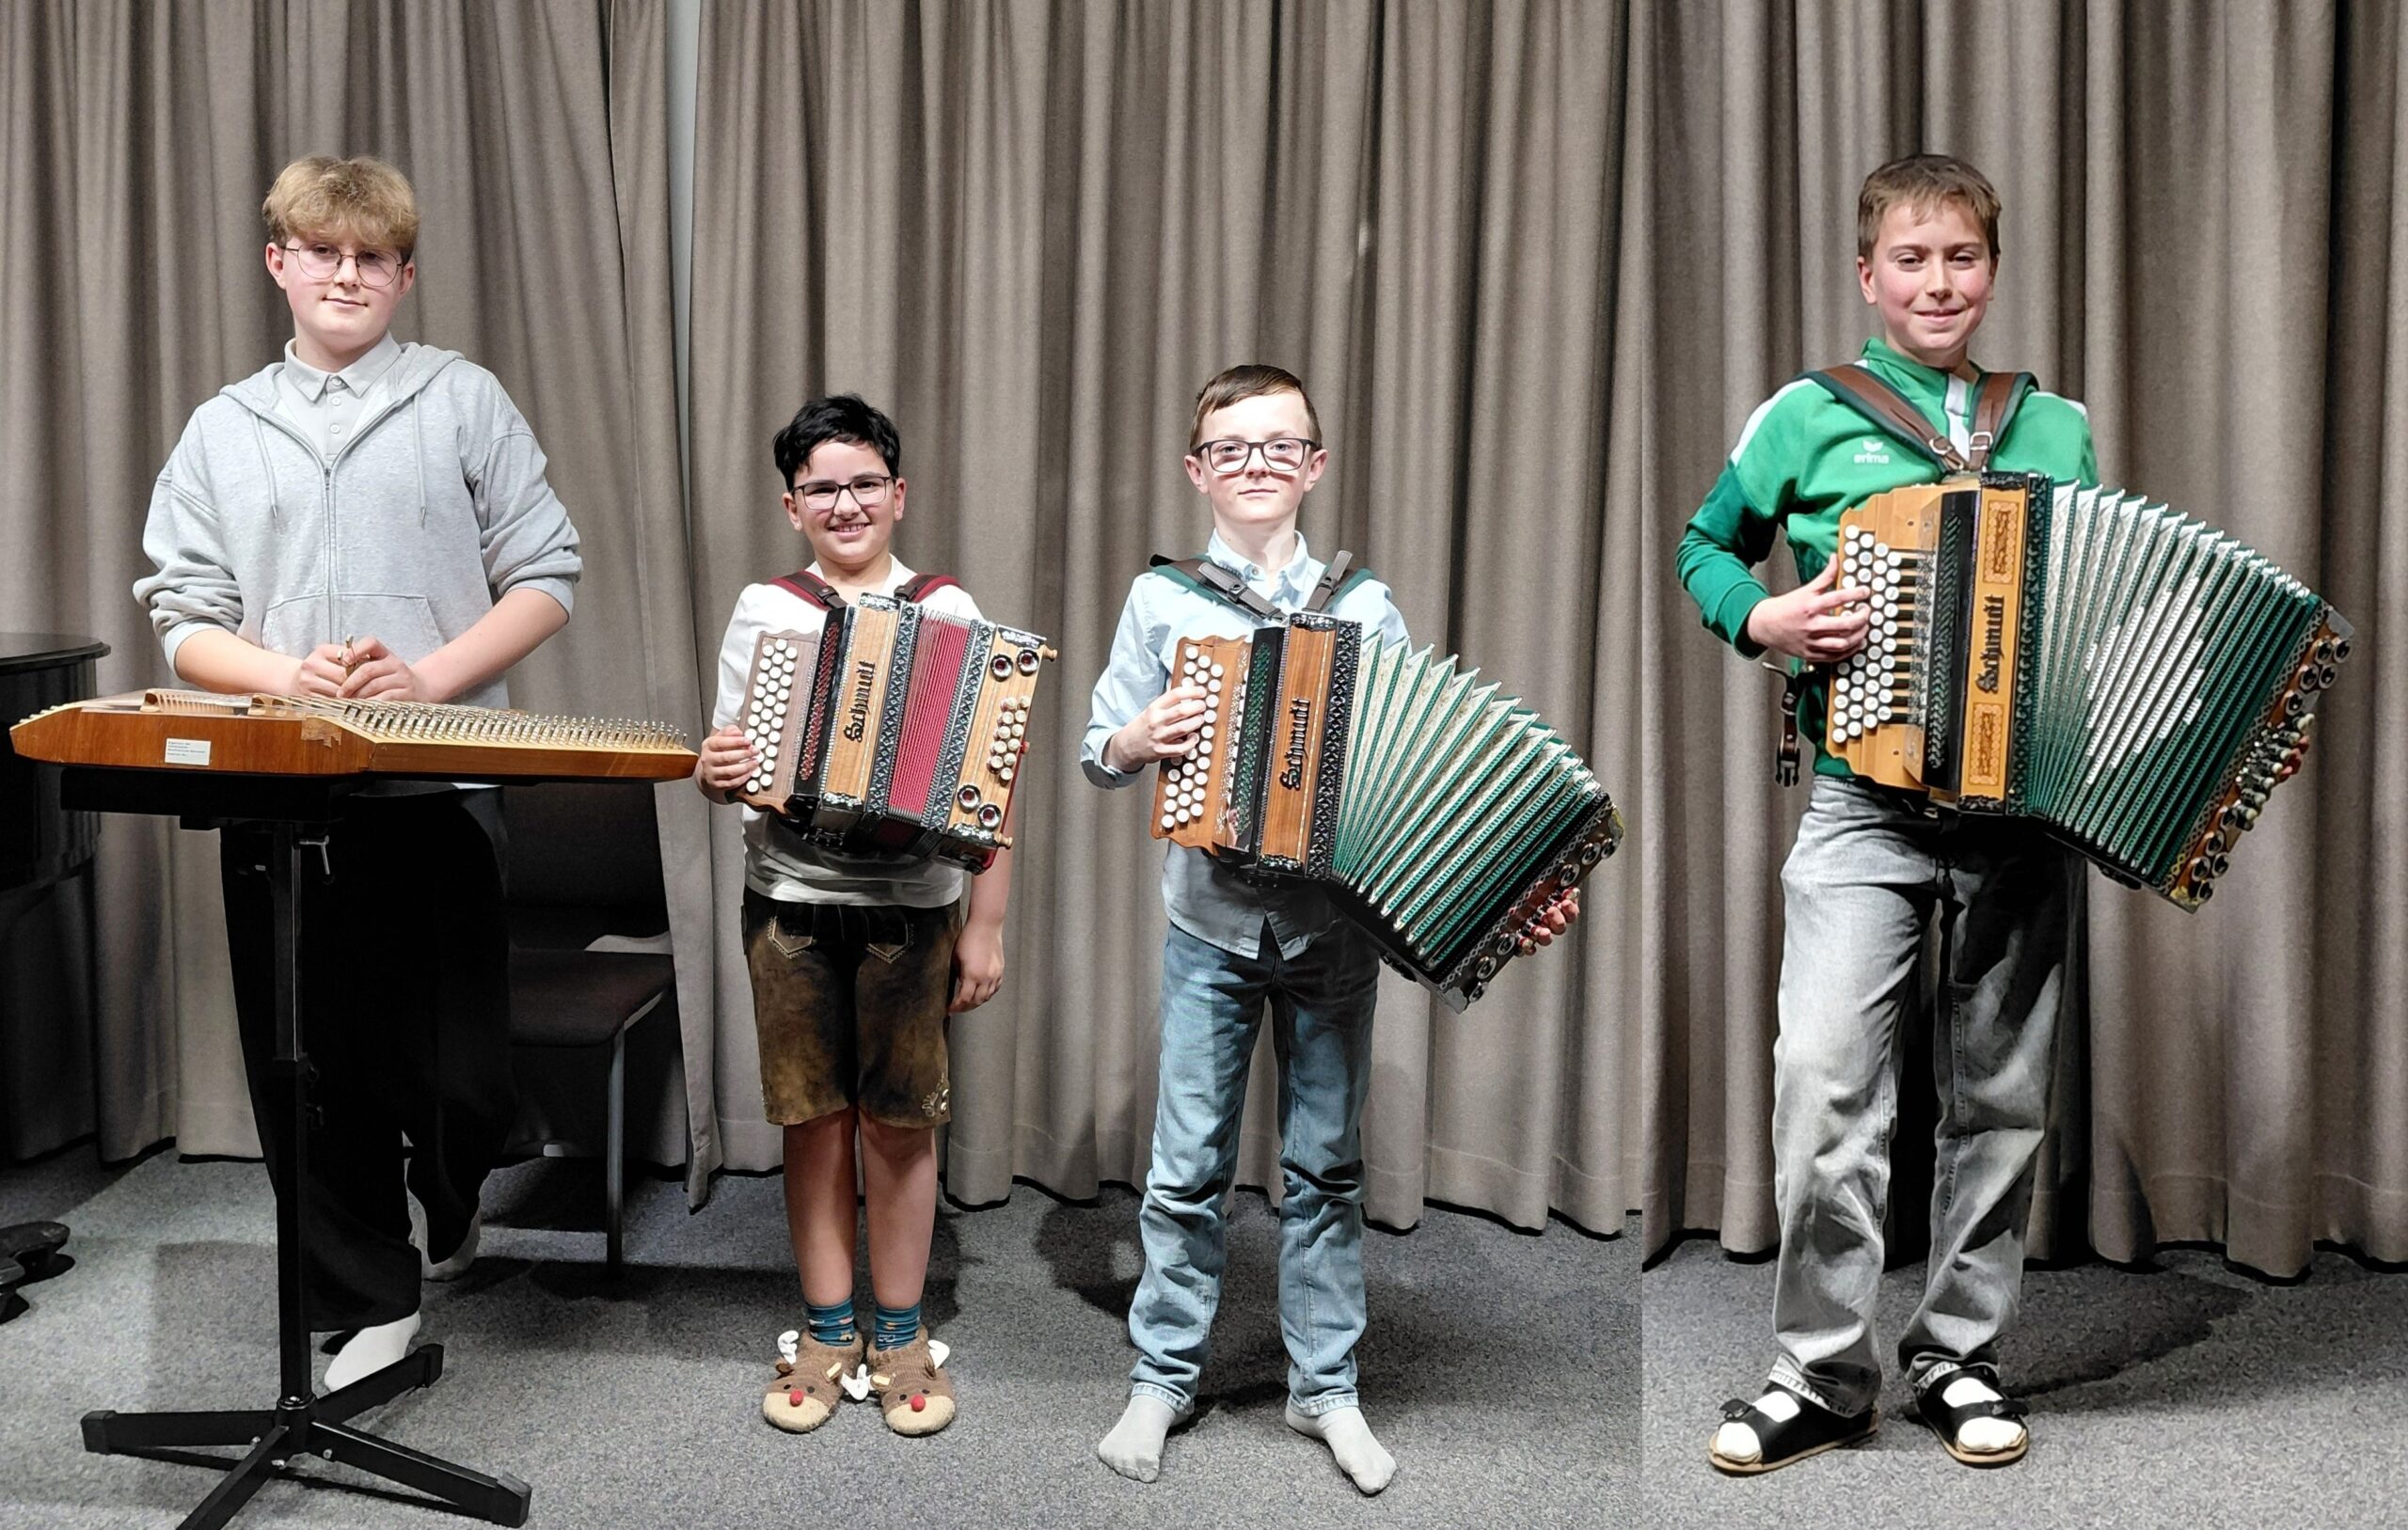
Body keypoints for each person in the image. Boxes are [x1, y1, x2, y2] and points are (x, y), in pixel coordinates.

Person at [1674, 153, 2097, 1474]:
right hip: (1865, 800)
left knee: (1999, 1098)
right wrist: (1765, 616)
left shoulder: (2058, 427)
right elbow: (1705, 544)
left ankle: (1960, 1352)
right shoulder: (1804, 413)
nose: (1937, 281)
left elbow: (2092, 602)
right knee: (1826, 1085)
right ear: (1869, 274)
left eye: (1961, 258)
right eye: (1911, 259)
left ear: (1992, 271)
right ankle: (1820, 1372)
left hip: (2024, 811)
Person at [1082, 364, 1572, 1492]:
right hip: (1207, 923)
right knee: (1183, 1168)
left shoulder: (1363, 604)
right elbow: (1096, 751)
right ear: (1198, 469)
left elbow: (1415, 767)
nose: (1255, 466)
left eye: (1278, 447)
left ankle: (1325, 1390)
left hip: (1331, 938)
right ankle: (1162, 1378)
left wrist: (1497, 877)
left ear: (1313, 464)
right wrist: (1137, 738)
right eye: (1232, 449)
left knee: (1326, 1167)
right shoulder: (1162, 600)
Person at [135, 154, 582, 1389]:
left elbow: (548, 569)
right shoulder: (223, 428)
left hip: (436, 785)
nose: (346, 273)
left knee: (456, 1070)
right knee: (310, 1066)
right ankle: (370, 1295)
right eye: (321, 251)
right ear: (278, 261)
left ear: (404, 273)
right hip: (277, 790)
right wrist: (283, 677)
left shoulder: (462, 398)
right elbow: (183, 614)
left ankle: (451, 1186)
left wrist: (431, 679)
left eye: (372, 256)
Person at [695, 394, 1013, 1438]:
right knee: (810, 1116)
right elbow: (731, 758)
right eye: (822, 487)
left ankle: (903, 1327)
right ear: (792, 505)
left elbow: (988, 785)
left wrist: (986, 923)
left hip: (912, 909)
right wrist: (719, 769)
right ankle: (829, 1328)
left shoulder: (951, 610)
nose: (845, 503)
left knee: (899, 1120)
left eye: (863, 483)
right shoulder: (767, 607)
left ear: (898, 492)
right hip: (787, 901)